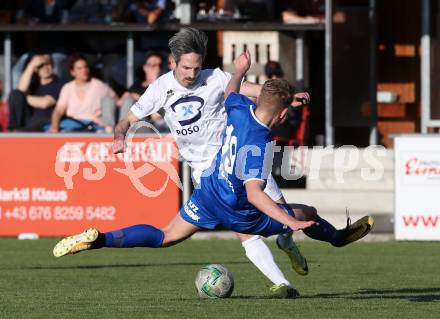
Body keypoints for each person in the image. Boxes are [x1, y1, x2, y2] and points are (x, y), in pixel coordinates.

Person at [52, 51, 374, 298]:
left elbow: (231, 89)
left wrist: (239, 71)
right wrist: (290, 221)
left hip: (209, 190)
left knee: (166, 235)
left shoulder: (237, 108)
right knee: (306, 214)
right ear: (284, 114)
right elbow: (253, 193)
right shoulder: (258, 144)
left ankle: (103, 238)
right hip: (237, 202)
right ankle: (325, 245)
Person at [48, 53, 118, 133]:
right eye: (79, 68)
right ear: (72, 72)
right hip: (72, 126)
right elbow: (59, 110)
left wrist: (129, 95)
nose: (84, 70)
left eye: (86, 67)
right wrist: (55, 126)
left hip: (94, 127)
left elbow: (116, 101)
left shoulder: (99, 85)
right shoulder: (67, 87)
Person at [8, 53, 63, 132]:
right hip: (31, 120)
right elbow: (19, 92)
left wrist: (24, 98)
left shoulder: (59, 84)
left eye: (48, 64)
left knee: (19, 97)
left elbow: (44, 103)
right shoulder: (34, 84)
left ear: (53, 65)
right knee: (15, 94)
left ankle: (18, 131)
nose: (45, 68)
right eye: (40, 66)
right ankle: (14, 129)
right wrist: (32, 65)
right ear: (36, 70)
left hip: (47, 120)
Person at [118, 51, 168, 132]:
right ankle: (121, 131)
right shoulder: (137, 85)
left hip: (153, 125)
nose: (157, 68)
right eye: (153, 65)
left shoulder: (164, 86)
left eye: (159, 65)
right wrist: (129, 97)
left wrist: (154, 81)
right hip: (134, 122)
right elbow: (120, 103)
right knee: (128, 100)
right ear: (145, 67)